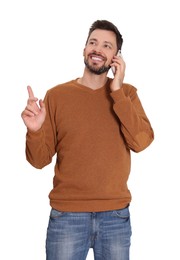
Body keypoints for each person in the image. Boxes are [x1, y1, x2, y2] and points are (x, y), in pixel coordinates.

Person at [21, 20, 154, 260]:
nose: (98, 49)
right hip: (66, 215)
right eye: (93, 42)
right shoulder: (57, 96)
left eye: (107, 45)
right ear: (84, 49)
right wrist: (34, 130)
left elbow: (141, 142)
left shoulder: (128, 94)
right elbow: (39, 160)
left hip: (115, 217)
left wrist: (117, 92)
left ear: (116, 57)